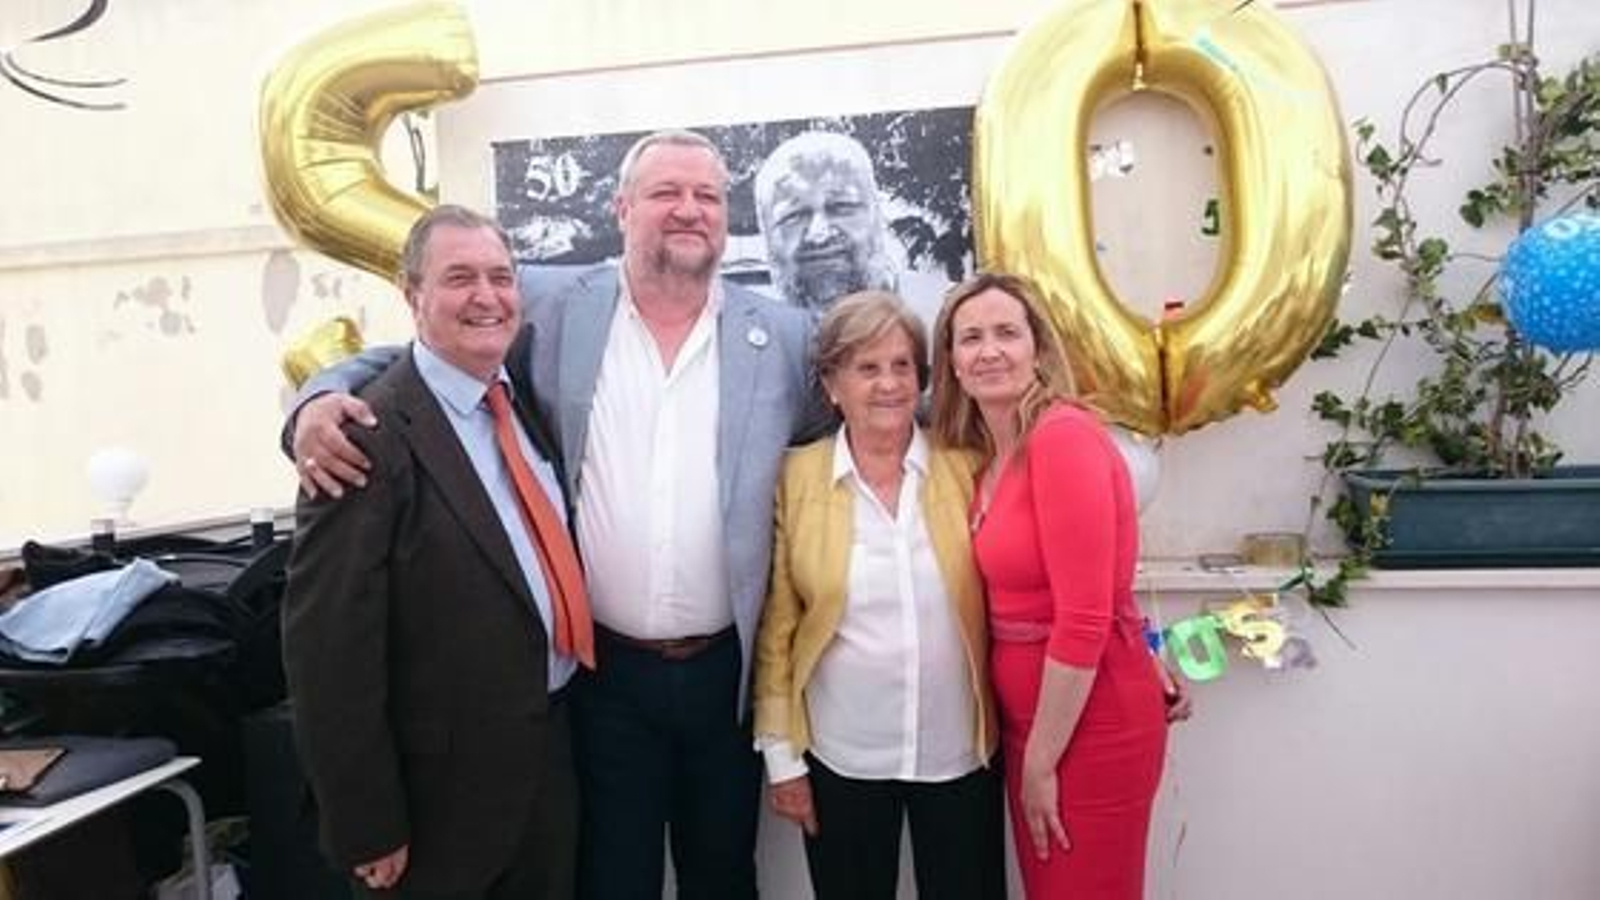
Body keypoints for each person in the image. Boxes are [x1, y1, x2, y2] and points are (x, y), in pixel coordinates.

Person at [289, 130, 832, 899]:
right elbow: (415, 354)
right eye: (665, 194)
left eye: (706, 196)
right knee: (612, 879)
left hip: (724, 678)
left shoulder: (782, 336)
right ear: (621, 209)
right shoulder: (548, 302)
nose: (688, 211)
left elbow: (867, 407)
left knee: (724, 877)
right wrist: (314, 401)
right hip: (603, 682)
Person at [282, 205, 584, 899]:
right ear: (411, 295)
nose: (487, 296)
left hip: (548, 765)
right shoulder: (362, 437)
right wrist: (366, 821)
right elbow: (327, 650)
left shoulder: (523, 400)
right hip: (436, 805)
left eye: (501, 277)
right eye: (459, 278)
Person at [929, 272, 1183, 899]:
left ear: (1038, 348)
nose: (989, 350)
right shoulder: (992, 458)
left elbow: (1086, 616)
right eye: (971, 338)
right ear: (953, 364)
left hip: (1087, 728)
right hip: (1036, 726)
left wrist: (1041, 763)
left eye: (1007, 333)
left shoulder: (1062, 439)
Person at [753, 291, 1007, 900]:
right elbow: (778, 632)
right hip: (844, 758)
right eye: (867, 368)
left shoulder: (968, 465)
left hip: (960, 753)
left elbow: (1034, 586)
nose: (888, 384)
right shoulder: (797, 476)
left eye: (901, 366)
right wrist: (783, 762)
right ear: (831, 384)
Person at [754, 131, 897, 314]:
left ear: (877, 217)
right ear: (766, 237)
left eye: (841, 207)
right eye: (795, 215)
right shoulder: (740, 337)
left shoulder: (928, 321)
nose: (818, 234)